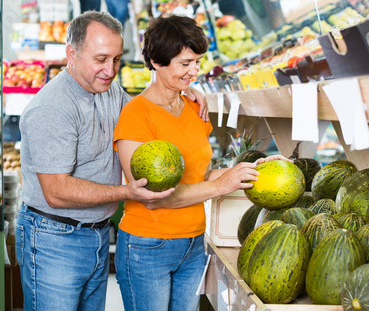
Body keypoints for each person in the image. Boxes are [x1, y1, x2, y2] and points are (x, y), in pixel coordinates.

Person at [16, 11, 207, 311]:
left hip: (97, 233)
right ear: (72, 54)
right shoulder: (51, 108)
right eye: (101, 59)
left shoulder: (107, 89)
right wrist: (127, 193)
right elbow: (55, 191)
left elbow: (145, 110)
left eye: (116, 59)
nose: (110, 69)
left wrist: (180, 91)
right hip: (54, 238)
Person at [113, 14, 288, 311]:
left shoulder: (194, 106)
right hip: (148, 245)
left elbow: (201, 173)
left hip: (194, 244)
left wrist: (250, 172)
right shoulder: (136, 115)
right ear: (156, 61)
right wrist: (222, 185)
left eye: (197, 62)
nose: (194, 71)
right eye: (185, 64)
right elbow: (153, 196)